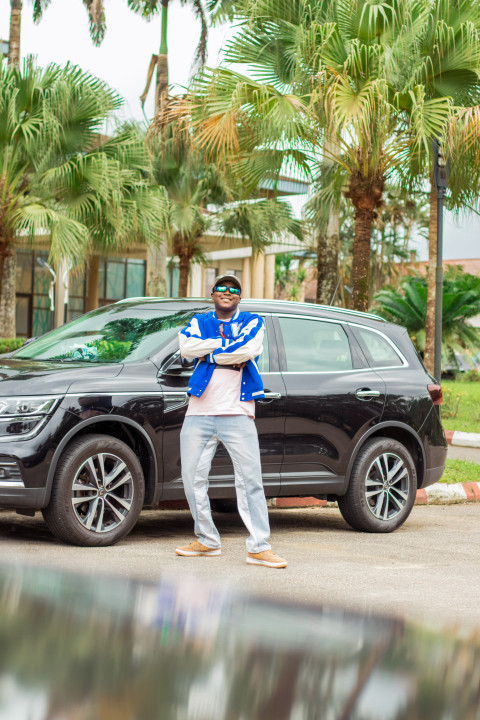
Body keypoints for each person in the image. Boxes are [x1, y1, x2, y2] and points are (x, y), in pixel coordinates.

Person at [175, 274, 287, 569]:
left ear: (240, 296)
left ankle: (259, 547)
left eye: (233, 289)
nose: (227, 292)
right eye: (221, 288)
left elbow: (247, 350)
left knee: (250, 481)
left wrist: (207, 352)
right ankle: (207, 540)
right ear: (212, 293)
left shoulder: (253, 321)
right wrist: (223, 348)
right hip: (199, 411)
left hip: (237, 411)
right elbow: (186, 349)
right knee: (191, 478)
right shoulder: (198, 322)